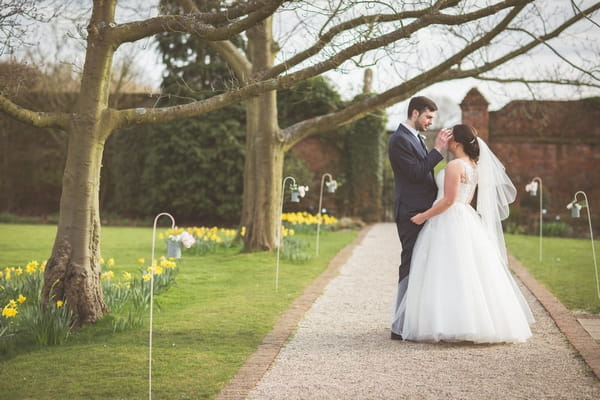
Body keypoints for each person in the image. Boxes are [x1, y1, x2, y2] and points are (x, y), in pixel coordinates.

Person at [400, 124, 535, 343]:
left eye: (450, 139)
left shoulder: (455, 166)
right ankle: (472, 323)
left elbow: (448, 200)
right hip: (464, 217)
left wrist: (424, 216)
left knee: (446, 271)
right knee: (466, 270)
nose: (448, 142)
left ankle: (449, 323)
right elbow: (466, 199)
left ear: (458, 143)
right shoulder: (474, 165)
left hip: (447, 219)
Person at [388, 96, 451, 340]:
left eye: (432, 118)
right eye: (427, 117)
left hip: (423, 210)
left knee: (421, 265)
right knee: (410, 265)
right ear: (415, 113)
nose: (430, 122)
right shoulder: (399, 140)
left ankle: (412, 321)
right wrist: (438, 151)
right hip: (410, 212)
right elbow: (415, 173)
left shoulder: (413, 137)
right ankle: (399, 325)